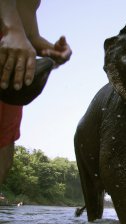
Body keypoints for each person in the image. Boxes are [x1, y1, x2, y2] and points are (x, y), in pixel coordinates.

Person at [0, 0, 72, 185]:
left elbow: (30, 33)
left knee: (3, 151)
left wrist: (49, 51)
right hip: (9, 44)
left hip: (12, 62)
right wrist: (11, 29)